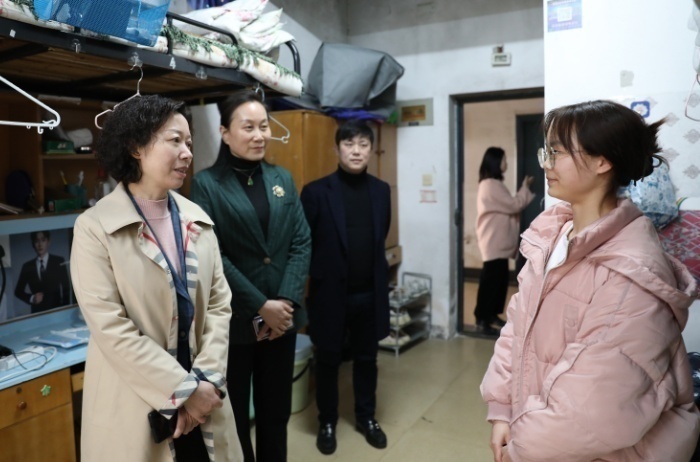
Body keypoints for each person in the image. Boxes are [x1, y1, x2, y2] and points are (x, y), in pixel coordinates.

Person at [480, 100, 700, 462]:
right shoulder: (551, 236)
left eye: (557, 152)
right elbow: (517, 328)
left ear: (602, 162)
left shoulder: (631, 273)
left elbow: (589, 410)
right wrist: (502, 408)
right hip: (537, 436)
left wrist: (520, 446)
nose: (547, 163)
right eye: (546, 151)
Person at [70, 95, 242, 462]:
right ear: (136, 147)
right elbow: (110, 327)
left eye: (189, 143)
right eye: (175, 140)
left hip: (204, 406)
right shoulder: (95, 228)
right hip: (138, 407)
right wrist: (184, 390)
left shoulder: (198, 221)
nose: (187, 153)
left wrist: (205, 383)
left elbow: (219, 304)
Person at [190, 90, 311, 462]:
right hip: (236, 324)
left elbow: (301, 241)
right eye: (248, 127)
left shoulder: (281, 178)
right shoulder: (207, 185)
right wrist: (261, 305)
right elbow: (213, 255)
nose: (259, 135)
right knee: (236, 416)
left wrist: (284, 303)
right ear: (225, 133)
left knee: (276, 414)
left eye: (264, 126)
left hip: (281, 323)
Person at [300, 119, 392, 455]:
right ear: (337, 148)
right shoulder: (315, 192)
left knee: (367, 359)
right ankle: (327, 421)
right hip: (329, 295)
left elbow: (380, 236)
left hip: (370, 293)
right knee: (328, 360)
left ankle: (367, 417)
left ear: (371, 150)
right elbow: (305, 244)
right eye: (349, 144)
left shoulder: (381, 191)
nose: (356, 151)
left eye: (363, 144)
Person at [473, 147, 534, 337]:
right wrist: (525, 187)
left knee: (498, 281)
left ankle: (491, 315)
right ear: (495, 162)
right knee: (490, 282)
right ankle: (482, 319)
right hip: (493, 241)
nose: (506, 163)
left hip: (497, 241)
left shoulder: (494, 183)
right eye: (504, 159)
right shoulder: (490, 184)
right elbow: (514, 204)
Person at [14, 230, 70, 314]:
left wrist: (65, 310)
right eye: (36, 241)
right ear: (33, 244)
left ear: (48, 242)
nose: (40, 244)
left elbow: (67, 288)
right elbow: (18, 291)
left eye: (43, 240)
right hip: (37, 313)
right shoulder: (27, 266)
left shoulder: (59, 261)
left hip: (57, 312)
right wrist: (32, 298)